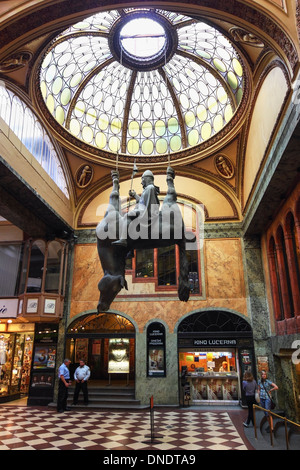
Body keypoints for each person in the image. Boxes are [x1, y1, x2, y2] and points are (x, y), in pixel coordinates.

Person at [112, 169, 160, 249]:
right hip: (144, 210)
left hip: (147, 212)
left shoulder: (150, 188)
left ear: (147, 179)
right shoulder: (148, 189)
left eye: (142, 180)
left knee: (127, 215)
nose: (141, 182)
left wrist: (138, 211)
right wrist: (135, 195)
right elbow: (142, 201)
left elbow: (147, 205)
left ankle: (123, 239)